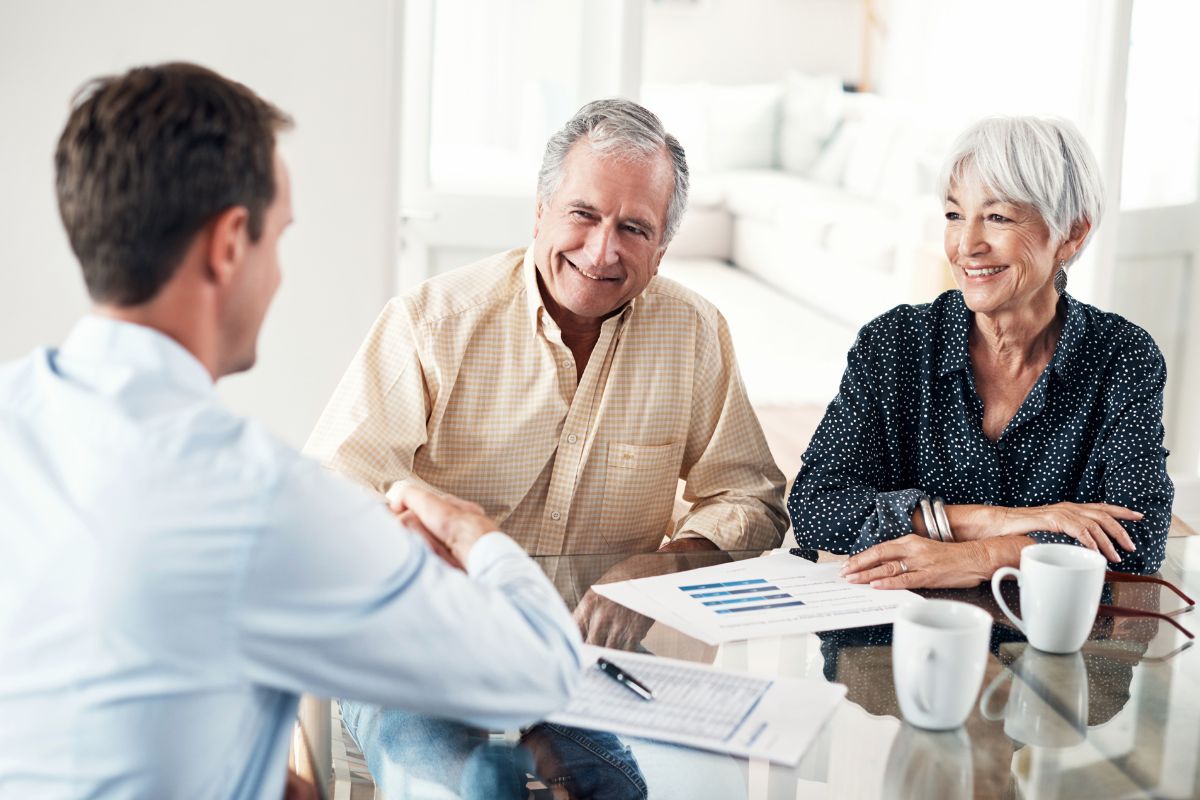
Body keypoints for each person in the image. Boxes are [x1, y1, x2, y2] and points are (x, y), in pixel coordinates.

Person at [0, 62, 582, 800]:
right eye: (278, 239)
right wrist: (474, 533)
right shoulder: (258, 499)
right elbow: (542, 666)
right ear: (229, 243)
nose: (277, 276)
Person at [306, 98, 787, 797]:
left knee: (617, 791)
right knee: (471, 790)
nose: (602, 251)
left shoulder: (695, 333)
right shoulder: (431, 324)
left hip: (577, 666)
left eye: (633, 228)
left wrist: (656, 568)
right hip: (415, 656)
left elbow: (753, 498)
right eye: (584, 215)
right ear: (540, 212)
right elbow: (331, 498)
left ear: (662, 247)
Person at [789, 115, 1173, 589]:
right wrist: (992, 521)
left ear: (1071, 234)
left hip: (1054, 643)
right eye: (954, 216)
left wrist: (978, 558)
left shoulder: (1121, 356)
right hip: (895, 638)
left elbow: (1140, 536)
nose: (966, 245)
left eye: (997, 217)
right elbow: (816, 506)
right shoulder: (894, 344)